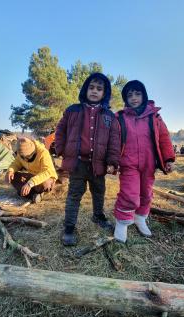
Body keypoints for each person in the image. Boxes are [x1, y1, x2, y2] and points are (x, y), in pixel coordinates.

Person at [55, 73, 120, 246]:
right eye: (91, 87)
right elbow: (60, 131)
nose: (94, 91)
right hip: (77, 164)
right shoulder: (72, 110)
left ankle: (98, 216)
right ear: (85, 89)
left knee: (99, 192)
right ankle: (69, 227)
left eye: (99, 89)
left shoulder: (109, 116)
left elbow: (114, 140)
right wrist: (61, 149)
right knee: (74, 195)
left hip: (98, 165)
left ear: (104, 93)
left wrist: (112, 162)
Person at [113, 80, 175, 242]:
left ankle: (140, 218)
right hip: (128, 163)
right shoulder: (120, 118)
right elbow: (112, 140)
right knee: (130, 194)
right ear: (125, 98)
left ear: (144, 95)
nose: (134, 98)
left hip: (149, 164)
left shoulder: (155, 117)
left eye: (137, 94)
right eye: (130, 95)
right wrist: (112, 160)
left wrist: (168, 159)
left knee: (146, 194)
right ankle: (122, 222)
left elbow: (164, 138)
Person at [5, 137, 58, 203]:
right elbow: (16, 164)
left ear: (33, 152)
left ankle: (34, 193)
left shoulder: (43, 152)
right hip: (32, 176)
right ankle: (33, 195)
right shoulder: (21, 152)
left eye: (27, 157)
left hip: (46, 177)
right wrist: (10, 171)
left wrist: (30, 183)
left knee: (45, 184)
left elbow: (47, 172)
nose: (25, 159)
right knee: (13, 177)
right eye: (23, 157)